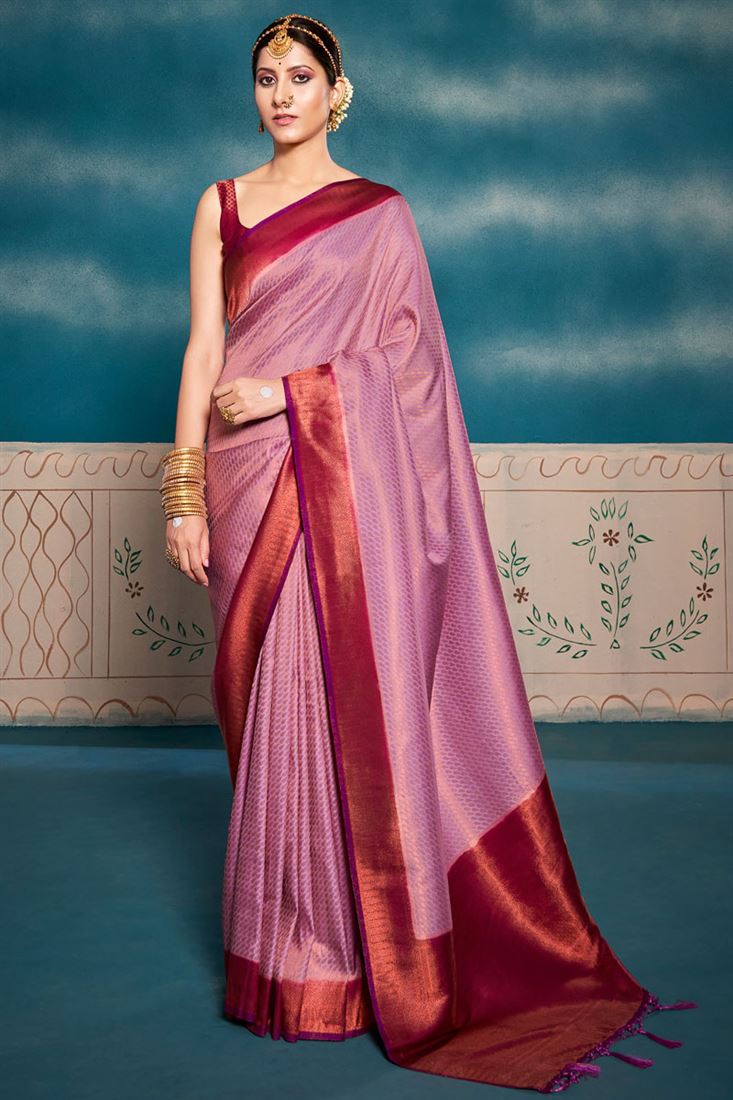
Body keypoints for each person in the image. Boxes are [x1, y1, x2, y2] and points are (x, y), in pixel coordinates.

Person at [160, 13, 697, 1093]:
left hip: (330, 485)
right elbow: (204, 344)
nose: (280, 94)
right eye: (265, 77)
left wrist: (292, 394)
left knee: (328, 706)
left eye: (300, 77)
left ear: (337, 91)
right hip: (244, 483)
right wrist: (182, 490)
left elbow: (408, 366)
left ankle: (339, 964)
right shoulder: (221, 204)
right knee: (268, 716)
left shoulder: (381, 215)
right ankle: (278, 948)